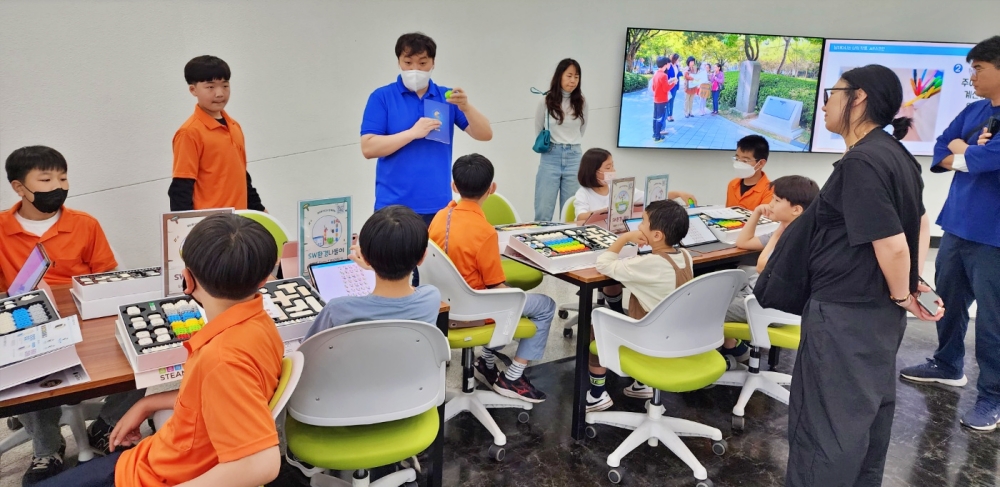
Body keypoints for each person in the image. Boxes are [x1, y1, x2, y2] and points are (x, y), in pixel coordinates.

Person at [37, 214, 285, 487]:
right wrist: (147, 402)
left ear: (187, 280)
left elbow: (261, 464)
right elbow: (220, 395)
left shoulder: (222, 358)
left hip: (155, 476)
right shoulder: (260, 325)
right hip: (156, 456)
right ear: (265, 279)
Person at [785, 64, 942, 487]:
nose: (825, 104)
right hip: (872, 315)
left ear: (858, 98)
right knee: (864, 419)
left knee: (825, 427)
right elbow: (920, 225)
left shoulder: (862, 162)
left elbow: (892, 243)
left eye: (832, 93)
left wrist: (901, 294)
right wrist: (911, 285)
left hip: (845, 314)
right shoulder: (896, 155)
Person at [1, 146, 145, 485]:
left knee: (143, 353)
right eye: (47, 179)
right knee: (19, 370)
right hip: (29, 320)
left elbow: (108, 278)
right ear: (19, 187)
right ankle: (46, 445)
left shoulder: (84, 224)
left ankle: (108, 425)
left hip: (84, 317)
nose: (58, 186)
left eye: (63, 178)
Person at [899, 35, 1000, 431]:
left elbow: (986, 160)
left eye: (979, 68)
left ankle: (992, 396)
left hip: (994, 237)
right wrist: (967, 151)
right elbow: (941, 149)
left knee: (992, 323)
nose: (971, 75)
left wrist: (969, 153)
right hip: (958, 225)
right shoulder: (974, 111)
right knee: (949, 301)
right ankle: (947, 363)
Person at [429, 154, 555, 403]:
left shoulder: (440, 217)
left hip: (442, 309)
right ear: (492, 189)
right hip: (473, 311)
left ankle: (486, 359)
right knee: (544, 306)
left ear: (454, 186)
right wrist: (519, 300)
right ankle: (513, 377)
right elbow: (496, 286)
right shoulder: (485, 232)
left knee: (518, 301)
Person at [360, 32, 492, 225]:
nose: (415, 69)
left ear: (433, 63)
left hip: (438, 206)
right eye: (408, 63)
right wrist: (412, 133)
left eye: (422, 63)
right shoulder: (382, 97)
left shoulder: (446, 97)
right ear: (399, 62)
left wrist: (466, 107)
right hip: (392, 209)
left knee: (435, 256)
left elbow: (485, 134)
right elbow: (368, 148)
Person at [588, 200, 693, 410]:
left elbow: (604, 264)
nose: (638, 227)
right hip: (675, 336)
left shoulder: (649, 264)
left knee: (595, 324)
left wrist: (625, 238)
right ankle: (642, 383)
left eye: (643, 222)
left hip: (648, 341)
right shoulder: (685, 255)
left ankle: (597, 394)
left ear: (657, 235)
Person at [304, 205, 441, 339]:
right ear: (422, 257)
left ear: (364, 257)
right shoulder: (431, 298)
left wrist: (375, 263)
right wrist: (376, 263)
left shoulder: (337, 310)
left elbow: (307, 354)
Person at [724, 175, 820, 367]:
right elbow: (743, 242)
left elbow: (762, 266)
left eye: (776, 200)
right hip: (761, 296)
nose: (770, 204)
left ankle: (721, 357)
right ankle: (734, 348)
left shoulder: (797, 238)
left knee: (704, 308)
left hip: (769, 306)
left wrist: (777, 233)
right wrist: (757, 213)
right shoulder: (790, 227)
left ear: (796, 210)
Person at [167, 55, 266, 212]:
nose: (220, 93)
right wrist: (185, 230)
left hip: (240, 222)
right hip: (212, 227)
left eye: (225, 85)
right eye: (210, 87)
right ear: (193, 90)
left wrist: (260, 210)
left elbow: (242, 177)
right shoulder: (189, 133)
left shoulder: (234, 126)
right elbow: (181, 188)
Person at [533, 58, 588, 221]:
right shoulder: (546, 100)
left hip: (574, 157)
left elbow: (582, 130)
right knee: (543, 210)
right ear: (560, 76)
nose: (573, 81)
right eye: (569, 75)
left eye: (576, 77)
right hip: (551, 156)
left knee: (571, 211)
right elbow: (538, 129)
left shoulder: (582, 102)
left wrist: (569, 142)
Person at [727, 135, 774, 209]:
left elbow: (764, 219)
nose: (739, 164)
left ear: (760, 163)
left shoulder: (770, 191)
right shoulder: (733, 184)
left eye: (745, 161)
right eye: (737, 159)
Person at [650, 56, 674, 143]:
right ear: (665, 64)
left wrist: (668, 83)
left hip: (656, 99)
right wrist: (673, 83)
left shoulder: (656, 74)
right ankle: (657, 136)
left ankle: (655, 134)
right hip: (662, 100)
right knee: (660, 118)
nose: (669, 64)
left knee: (655, 117)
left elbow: (653, 87)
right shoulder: (664, 75)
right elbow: (666, 89)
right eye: (668, 63)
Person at [665, 54, 682, 122]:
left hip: (675, 85)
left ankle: (671, 115)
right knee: (668, 100)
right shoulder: (669, 66)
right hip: (669, 85)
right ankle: (668, 115)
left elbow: (677, 74)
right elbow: (667, 75)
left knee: (672, 100)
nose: (678, 60)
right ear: (674, 59)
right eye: (678, 59)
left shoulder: (677, 66)